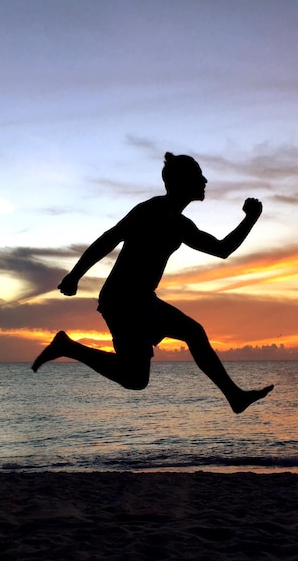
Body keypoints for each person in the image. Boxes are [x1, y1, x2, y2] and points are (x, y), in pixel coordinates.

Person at [32, 152, 274, 414]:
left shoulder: (181, 224)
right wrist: (74, 275)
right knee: (135, 379)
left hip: (144, 300)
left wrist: (250, 219)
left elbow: (222, 249)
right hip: (122, 300)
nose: (204, 180)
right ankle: (68, 347)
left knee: (193, 333)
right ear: (182, 181)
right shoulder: (151, 210)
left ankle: (234, 397)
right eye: (198, 176)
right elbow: (110, 238)